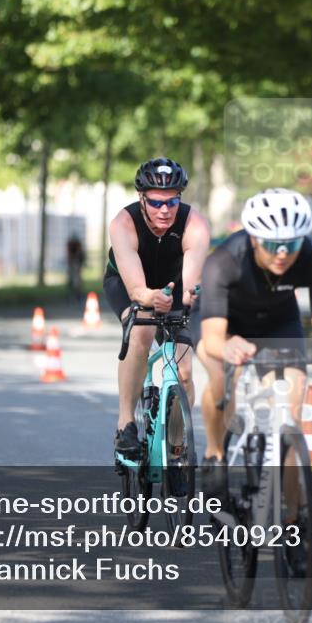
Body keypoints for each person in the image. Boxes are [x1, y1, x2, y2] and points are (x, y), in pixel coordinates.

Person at [195, 188, 312, 497]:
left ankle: (293, 522)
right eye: (272, 245)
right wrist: (229, 346)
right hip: (225, 324)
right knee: (221, 377)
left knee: (291, 413)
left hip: (277, 322)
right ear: (253, 238)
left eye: (291, 245)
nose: (282, 254)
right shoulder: (225, 261)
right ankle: (214, 454)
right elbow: (213, 338)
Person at [106, 157, 210, 460]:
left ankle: (176, 443)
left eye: (172, 201)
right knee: (142, 329)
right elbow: (137, 290)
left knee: (186, 371)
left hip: (174, 288)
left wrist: (186, 300)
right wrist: (150, 298)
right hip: (128, 284)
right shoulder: (123, 223)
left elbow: (189, 286)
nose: (164, 210)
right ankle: (126, 423)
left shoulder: (195, 225)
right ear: (141, 198)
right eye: (155, 202)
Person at [66, 233, 85, 300]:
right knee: (72, 276)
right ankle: (72, 290)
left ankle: (77, 292)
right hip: (73, 261)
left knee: (77, 278)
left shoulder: (77, 245)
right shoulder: (71, 245)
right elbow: (69, 254)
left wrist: (77, 262)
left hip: (77, 261)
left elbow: (80, 254)